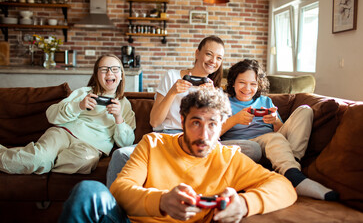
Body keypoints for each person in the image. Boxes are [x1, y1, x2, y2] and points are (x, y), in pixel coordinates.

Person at [59, 87, 297, 223]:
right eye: (196, 122)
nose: (204, 134)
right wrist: (161, 201)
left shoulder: (230, 159)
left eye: (213, 124)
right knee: (87, 191)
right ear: (182, 121)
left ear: (222, 124)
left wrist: (245, 204)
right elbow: (120, 190)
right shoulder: (153, 143)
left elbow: (284, 186)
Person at [106, 36, 261, 188]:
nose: (213, 61)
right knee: (120, 155)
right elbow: (154, 121)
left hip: (198, 140)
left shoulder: (215, 89)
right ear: (197, 53)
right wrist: (172, 92)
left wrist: (212, 98)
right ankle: (112, 210)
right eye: (209, 54)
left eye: (219, 58)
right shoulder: (172, 77)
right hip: (168, 137)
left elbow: (216, 131)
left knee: (253, 149)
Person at [220, 59, 339, 201]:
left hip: (273, 146)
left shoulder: (266, 101)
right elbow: (211, 134)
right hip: (246, 145)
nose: (247, 88)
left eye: (253, 84)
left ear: (258, 86)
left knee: (305, 110)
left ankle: (292, 168)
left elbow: (284, 134)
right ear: (233, 82)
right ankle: (294, 176)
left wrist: (275, 120)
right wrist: (235, 119)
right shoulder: (223, 101)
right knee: (265, 142)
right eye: (242, 82)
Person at [0, 54, 136, 174]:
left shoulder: (125, 105)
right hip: (63, 133)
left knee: (85, 161)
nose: (109, 72)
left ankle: (43, 162)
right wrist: (78, 106)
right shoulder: (84, 92)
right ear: (96, 75)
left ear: (121, 75)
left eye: (115, 69)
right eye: (104, 69)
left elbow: (127, 143)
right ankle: (39, 160)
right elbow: (51, 115)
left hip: (91, 147)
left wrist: (119, 118)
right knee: (38, 158)